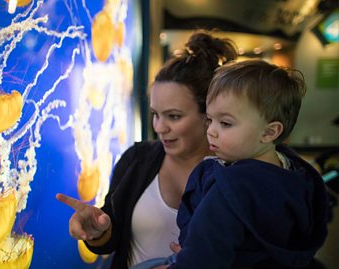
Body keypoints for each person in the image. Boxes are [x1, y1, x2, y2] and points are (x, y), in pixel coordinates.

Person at [55, 31, 238, 268]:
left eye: (173, 116)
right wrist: (98, 230)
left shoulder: (241, 174)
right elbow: (111, 237)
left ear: (208, 115)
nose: (160, 128)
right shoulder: (137, 159)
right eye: (156, 115)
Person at [133, 59, 329, 269]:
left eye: (225, 123)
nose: (211, 131)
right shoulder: (298, 176)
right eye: (210, 120)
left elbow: (201, 260)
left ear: (270, 132)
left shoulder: (228, 189)